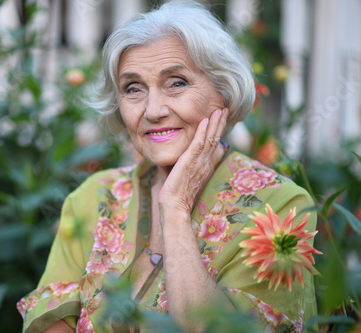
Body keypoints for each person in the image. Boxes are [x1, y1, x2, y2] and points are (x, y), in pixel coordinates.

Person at [17, 1, 319, 332]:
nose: (153, 110)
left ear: (223, 93)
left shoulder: (281, 207)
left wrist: (174, 209)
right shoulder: (94, 197)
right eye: (133, 88)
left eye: (176, 82)